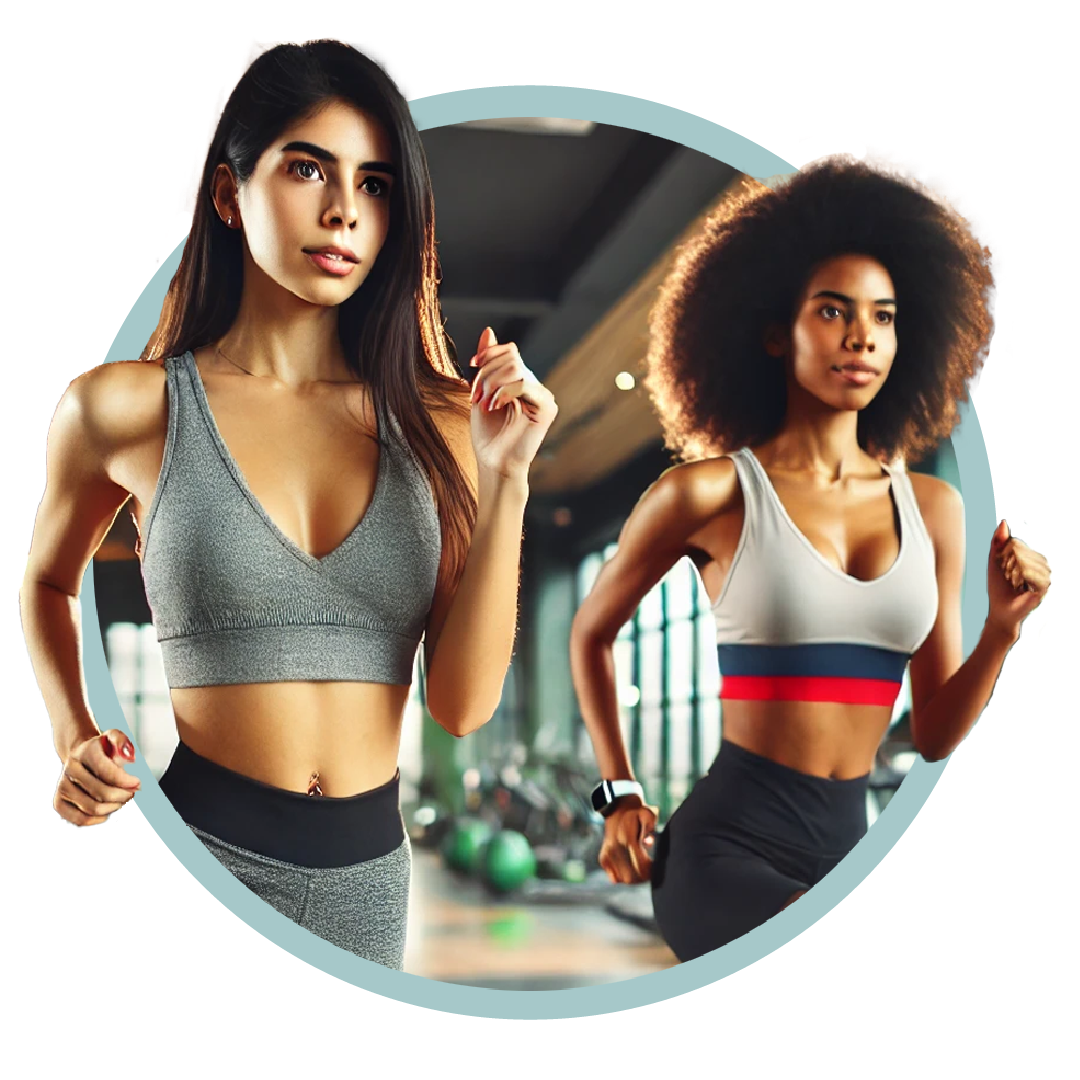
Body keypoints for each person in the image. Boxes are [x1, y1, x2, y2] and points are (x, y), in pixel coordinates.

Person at [20, 38, 557, 970]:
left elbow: (464, 708)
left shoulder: (441, 420)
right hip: (200, 860)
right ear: (229, 195)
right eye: (308, 168)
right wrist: (71, 733)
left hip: (368, 879)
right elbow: (45, 582)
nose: (345, 210)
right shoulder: (123, 408)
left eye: (377, 183)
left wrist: (507, 475)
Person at [570, 148, 1050, 963]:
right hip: (726, 852)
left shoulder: (934, 510)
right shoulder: (709, 496)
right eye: (832, 311)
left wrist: (1001, 632)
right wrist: (619, 796)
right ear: (772, 329)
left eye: (885, 316)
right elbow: (591, 632)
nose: (861, 336)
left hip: (848, 850)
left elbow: (932, 735)